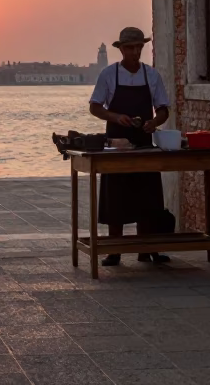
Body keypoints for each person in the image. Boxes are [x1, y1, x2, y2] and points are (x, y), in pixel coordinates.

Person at [88, 27, 172, 266]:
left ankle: (146, 249)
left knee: (147, 195)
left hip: (144, 143)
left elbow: (163, 109)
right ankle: (114, 250)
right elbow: (95, 107)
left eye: (139, 47)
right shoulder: (108, 75)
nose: (135, 52)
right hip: (116, 144)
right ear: (122, 50)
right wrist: (116, 118)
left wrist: (154, 123)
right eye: (131, 48)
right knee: (116, 195)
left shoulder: (151, 76)